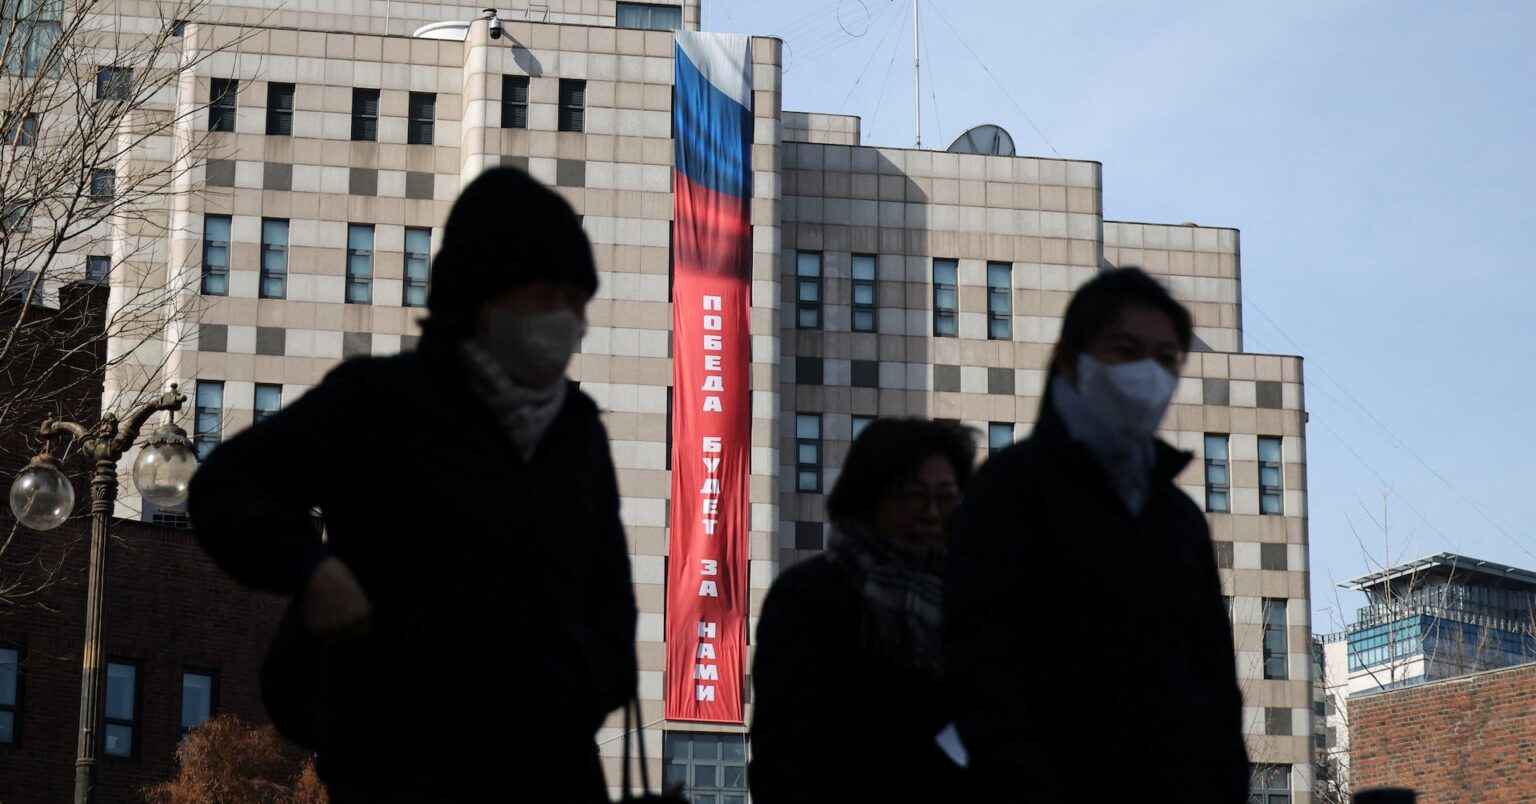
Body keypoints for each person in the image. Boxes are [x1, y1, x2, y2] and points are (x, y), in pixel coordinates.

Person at [189, 168, 637, 803]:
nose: (568, 320)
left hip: (549, 778)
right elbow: (225, 485)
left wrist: (568, 696)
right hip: (405, 775)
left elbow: (610, 605)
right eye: (547, 295)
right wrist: (312, 569)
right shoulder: (381, 403)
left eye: (578, 300)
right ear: (483, 293)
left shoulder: (577, 432)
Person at [945, 267, 1249, 802]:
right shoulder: (1011, 489)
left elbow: (1214, 682)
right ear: (1070, 360)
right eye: (1125, 350)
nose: (1147, 374)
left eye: (1165, 359)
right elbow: (981, 667)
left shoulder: (1177, 516)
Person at [750, 418, 976, 804]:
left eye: (946, 497)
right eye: (915, 496)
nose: (932, 514)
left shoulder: (973, 599)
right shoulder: (810, 597)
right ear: (868, 498)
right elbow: (785, 755)